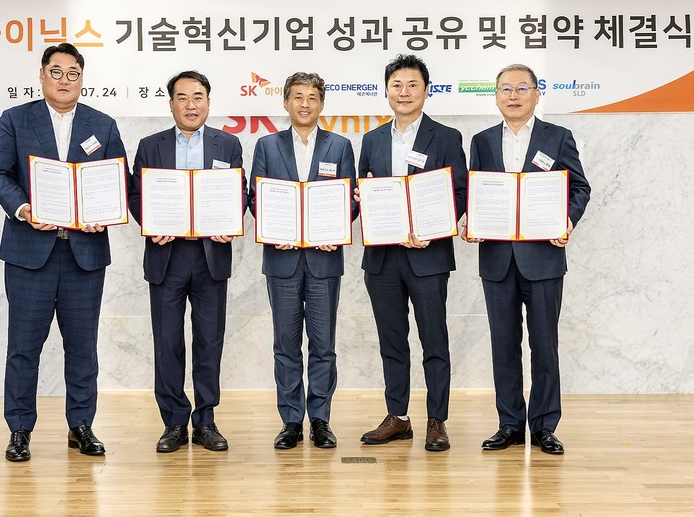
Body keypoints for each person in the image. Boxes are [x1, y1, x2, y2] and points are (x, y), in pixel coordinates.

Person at [0, 43, 127, 461]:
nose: (65, 80)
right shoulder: (16, 119)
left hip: (84, 254)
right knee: (23, 346)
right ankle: (19, 429)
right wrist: (23, 209)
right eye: (57, 71)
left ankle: (81, 425)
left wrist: (104, 212)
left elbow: (117, 179)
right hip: (30, 252)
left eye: (73, 73)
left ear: (82, 79)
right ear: (42, 75)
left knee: (82, 346)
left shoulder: (102, 124)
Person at [463, 64, 590, 455]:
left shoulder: (558, 136)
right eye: (505, 89)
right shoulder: (482, 141)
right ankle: (510, 424)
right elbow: (476, 191)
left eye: (522, 88)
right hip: (497, 258)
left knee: (544, 345)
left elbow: (580, 187)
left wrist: (567, 220)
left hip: (543, 258)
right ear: (496, 96)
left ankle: (545, 426)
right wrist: (471, 220)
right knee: (503, 345)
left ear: (536, 94)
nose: (513, 95)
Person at [128, 71, 245, 453]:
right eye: (182, 97)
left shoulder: (228, 144)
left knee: (209, 341)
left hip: (211, 256)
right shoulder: (150, 146)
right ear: (171, 104)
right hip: (167, 256)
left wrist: (230, 222)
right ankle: (174, 422)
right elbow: (135, 194)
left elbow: (239, 191)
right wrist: (150, 224)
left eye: (197, 97)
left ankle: (206, 420)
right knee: (168, 342)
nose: (190, 105)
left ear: (208, 102)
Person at [357, 54, 467, 452]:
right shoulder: (371, 140)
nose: (404, 92)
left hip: (428, 256)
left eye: (412, 85)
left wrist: (431, 229)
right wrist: (361, 197)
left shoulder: (447, 137)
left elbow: (459, 193)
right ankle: (398, 417)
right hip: (382, 259)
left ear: (426, 90)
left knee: (434, 341)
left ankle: (437, 419)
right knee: (392, 341)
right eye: (396, 85)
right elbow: (363, 190)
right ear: (386, 91)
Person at [248, 72, 358, 449]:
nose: (305, 104)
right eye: (298, 97)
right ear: (286, 102)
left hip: (324, 261)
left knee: (323, 346)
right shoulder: (267, 145)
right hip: (281, 260)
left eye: (312, 97)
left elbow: (351, 200)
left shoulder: (340, 146)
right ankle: (291, 420)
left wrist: (336, 230)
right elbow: (255, 198)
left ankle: (321, 420)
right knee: (286, 344)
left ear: (322, 104)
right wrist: (273, 229)